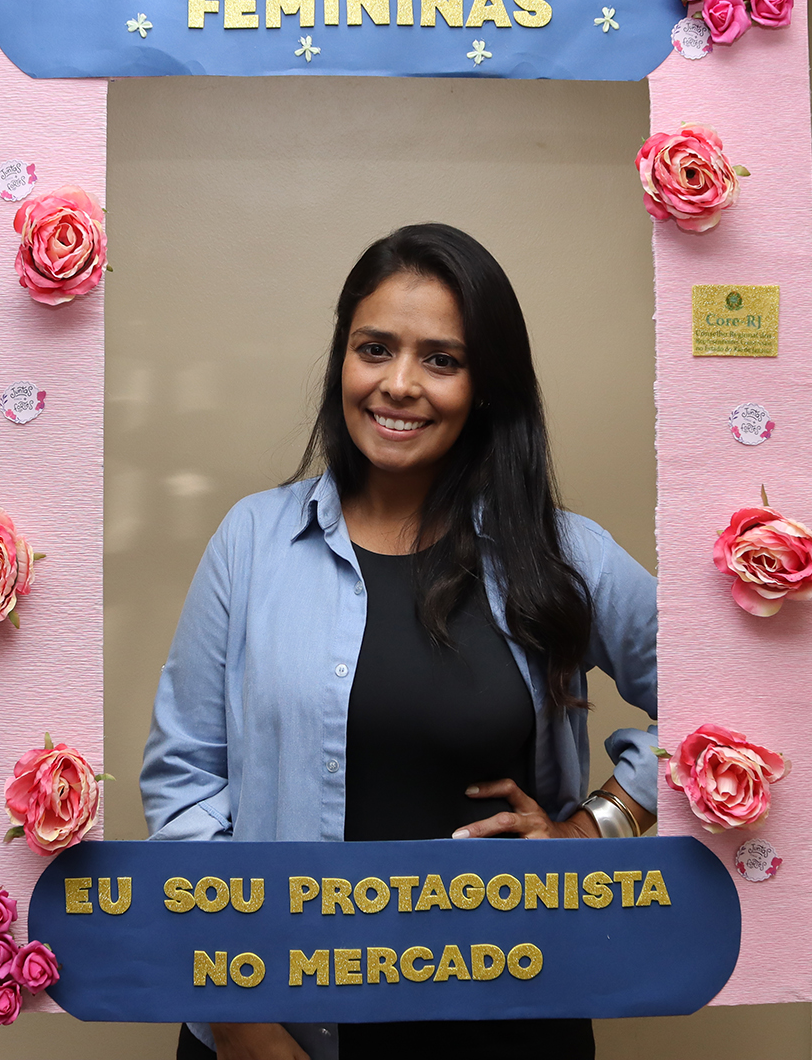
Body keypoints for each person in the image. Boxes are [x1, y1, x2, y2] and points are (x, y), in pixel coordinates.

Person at [141, 224, 659, 1060]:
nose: (399, 384)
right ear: (342, 360)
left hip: (511, 1021)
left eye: (441, 359)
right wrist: (235, 1012)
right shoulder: (252, 541)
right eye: (374, 349)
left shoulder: (563, 556)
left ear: (486, 385)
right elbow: (185, 778)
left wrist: (599, 826)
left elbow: (728, 709)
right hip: (275, 1028)